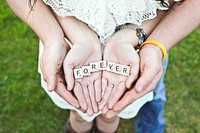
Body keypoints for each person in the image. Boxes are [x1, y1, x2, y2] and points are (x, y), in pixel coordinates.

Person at [6, 0, 200, 133]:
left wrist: (155, 45)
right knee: (80, 113)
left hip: (136, 50)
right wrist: (53, 37)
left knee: (111, 113)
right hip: (69, 41)